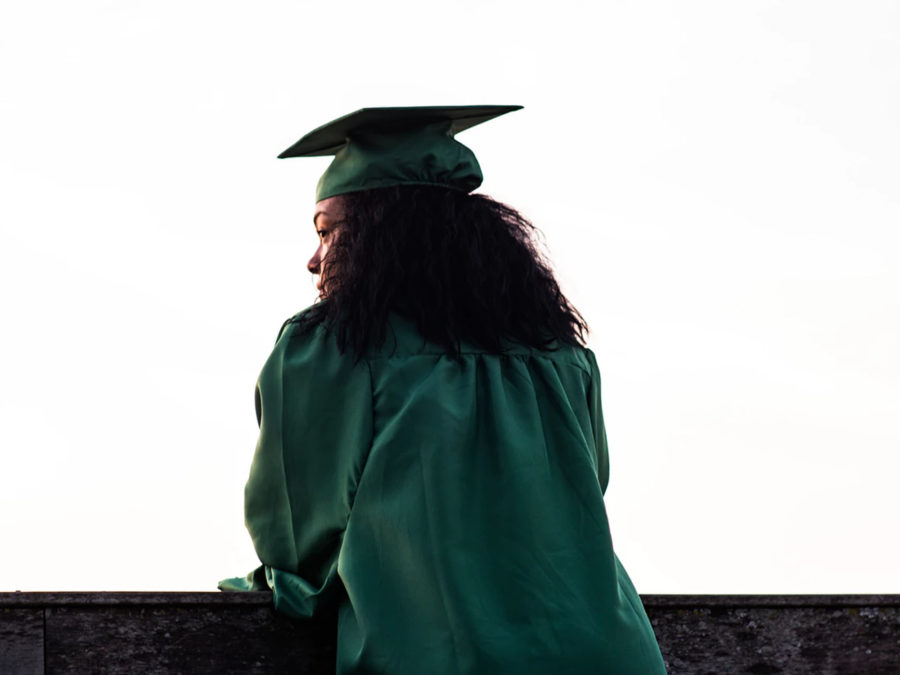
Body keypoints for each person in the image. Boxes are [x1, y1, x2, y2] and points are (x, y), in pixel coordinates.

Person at [220, 106, 667, 674]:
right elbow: (583, 492)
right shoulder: (561, 352)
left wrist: (278, 582)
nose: (313, 261)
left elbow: (295, 541)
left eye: (327, 232)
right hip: (611, 656)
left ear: (380, 238)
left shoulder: (331, 348)